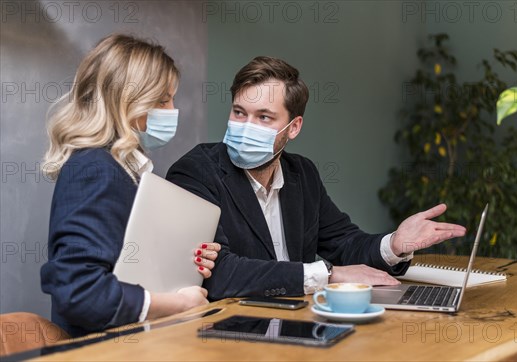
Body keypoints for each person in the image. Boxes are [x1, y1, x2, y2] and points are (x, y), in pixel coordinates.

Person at [167, 56, 466, 300]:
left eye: (264, 117)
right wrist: (328, 275)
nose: (247, 126)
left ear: (293, 127)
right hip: (232, 334)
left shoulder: (302, 175)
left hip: (299, 322)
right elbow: (220, 274)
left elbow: (344, 243)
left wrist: (395, 244)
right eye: (239, 113)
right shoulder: (195, 172)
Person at [40, 34, 220, 337]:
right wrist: (175, 303)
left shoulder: (121, 170)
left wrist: (183, 259)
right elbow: (79, 290)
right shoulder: (95, 169)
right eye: (163, 99)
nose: (172, 109)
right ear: (127, 102)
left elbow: (122, 265)